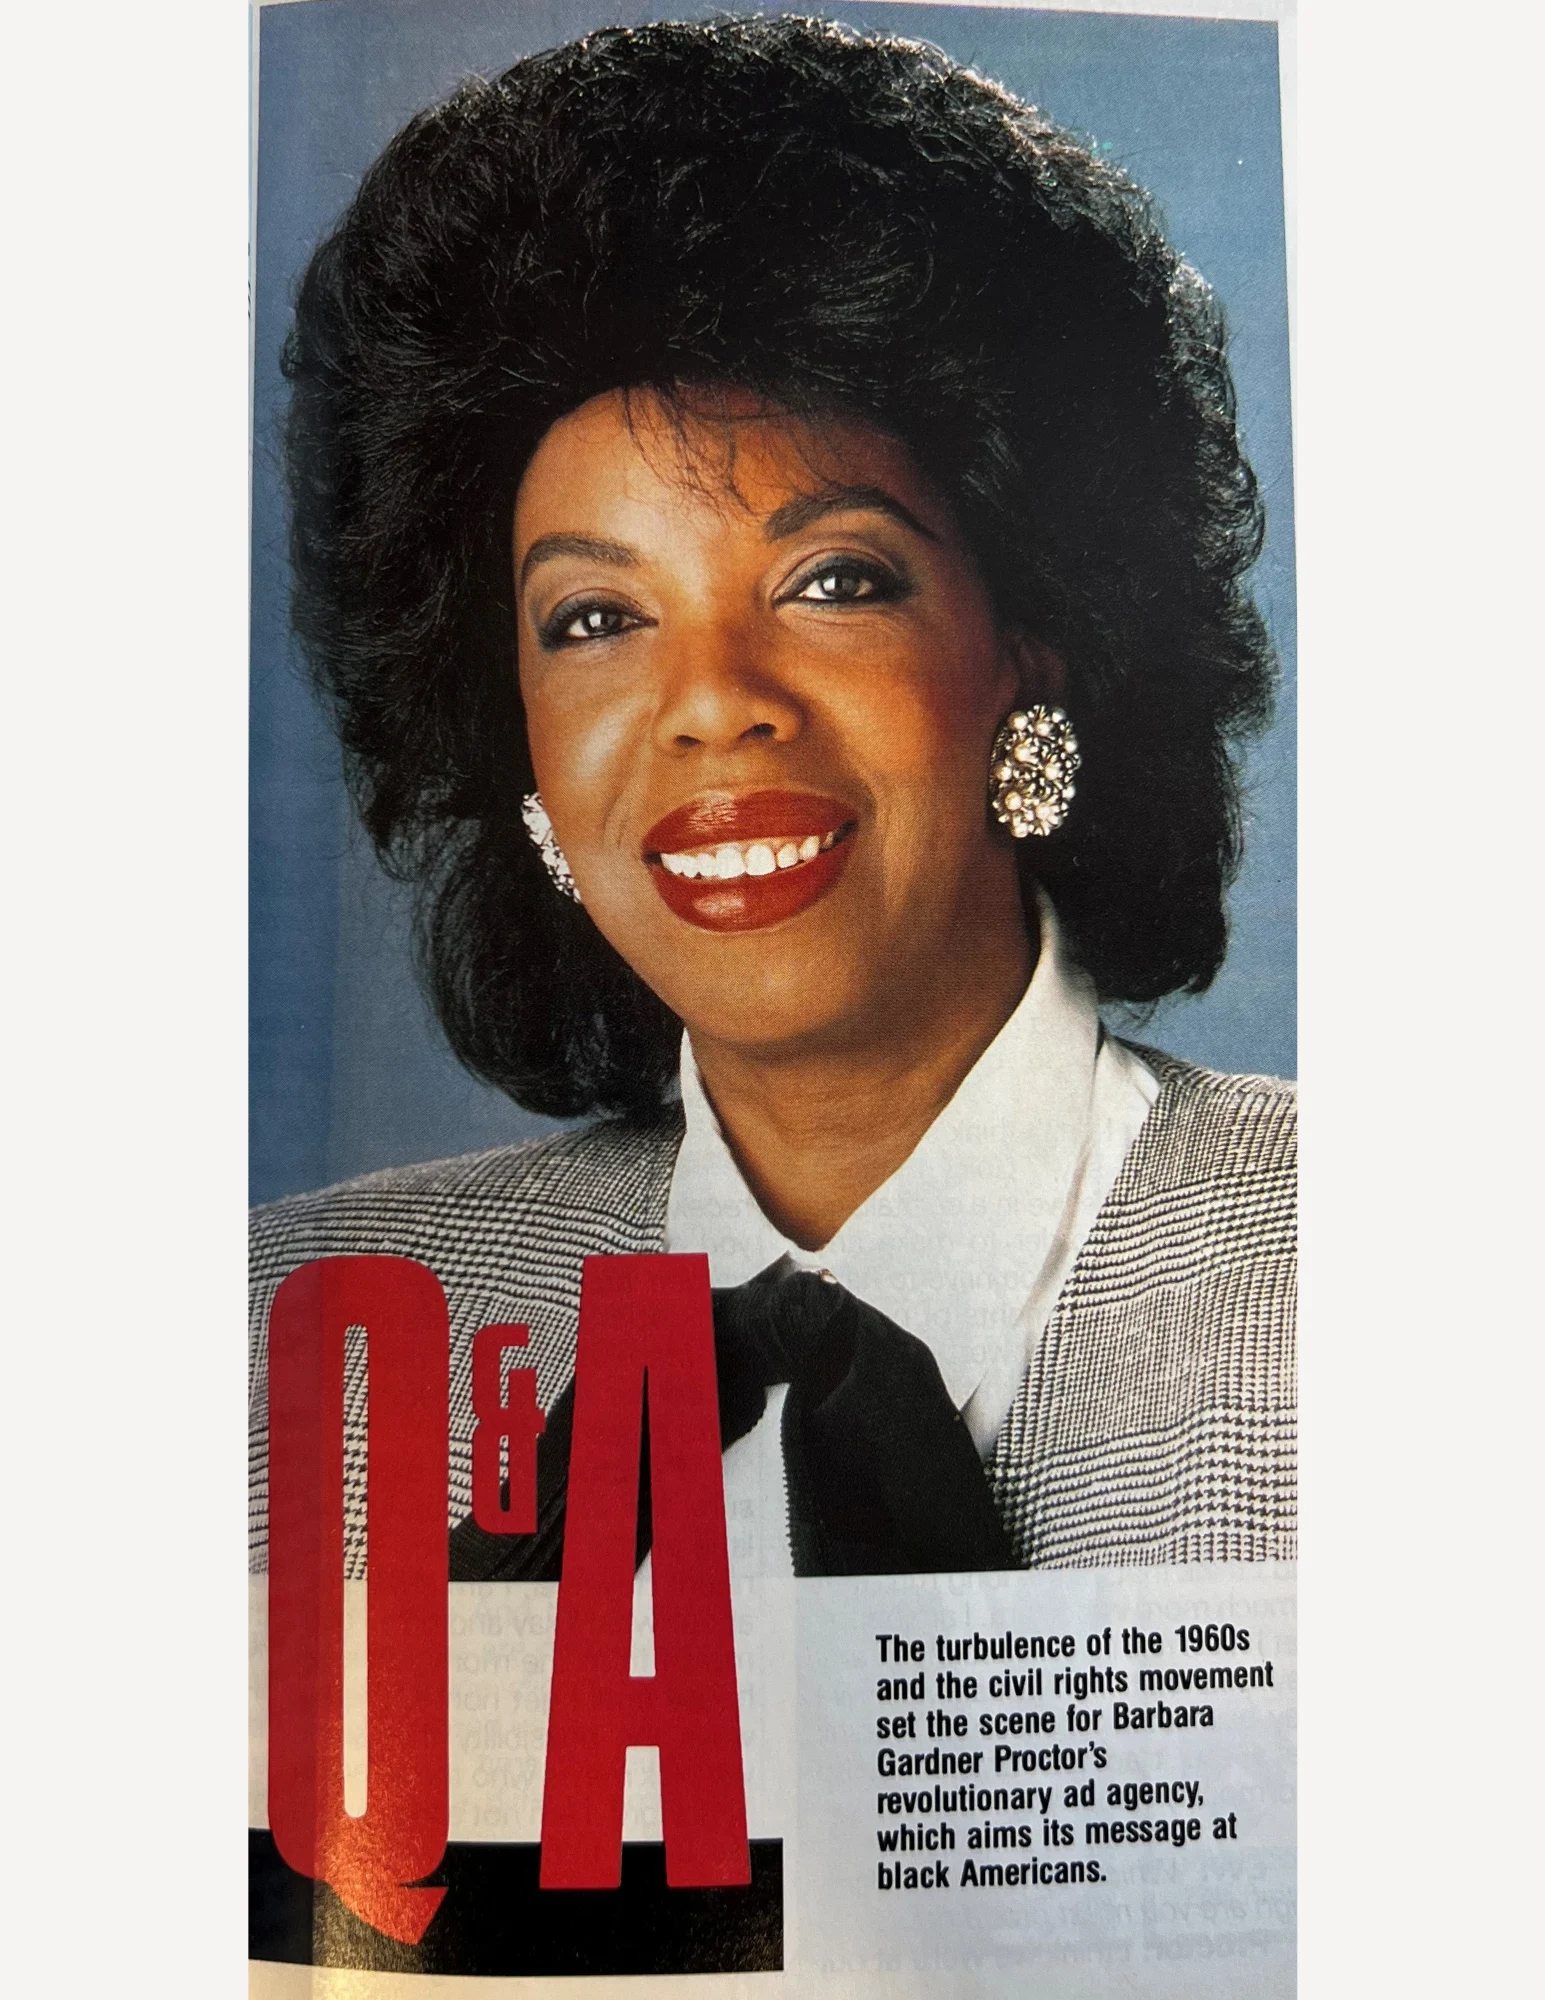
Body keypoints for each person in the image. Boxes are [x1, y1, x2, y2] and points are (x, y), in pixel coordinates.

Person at [250, 14, 1294, 1582]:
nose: (715, 698)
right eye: (596, 618)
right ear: (512, 743)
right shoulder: (284, 1348)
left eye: (833, 578)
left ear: (1033, 647)